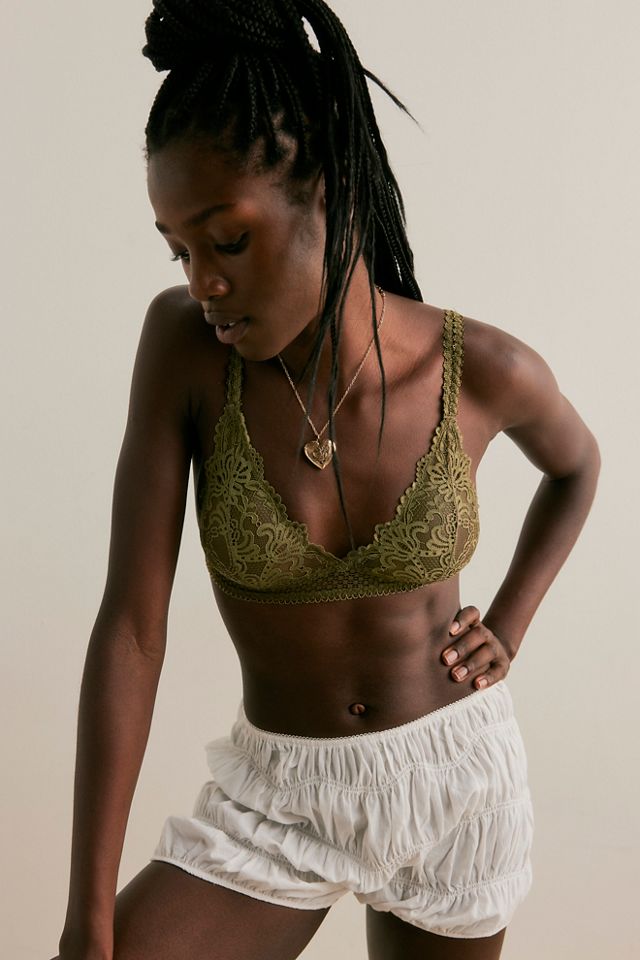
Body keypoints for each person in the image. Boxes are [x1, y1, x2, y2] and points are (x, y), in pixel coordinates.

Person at [52, 2, 600, 959]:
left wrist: (509, 624)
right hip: (276, 800)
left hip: (458, 789)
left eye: (227, 241)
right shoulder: (184, 350)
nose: (202, 280)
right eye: (179, 249)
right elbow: (133, 629)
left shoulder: (479, 368)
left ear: (331, 190)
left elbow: (577, 466)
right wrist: (86, 919)